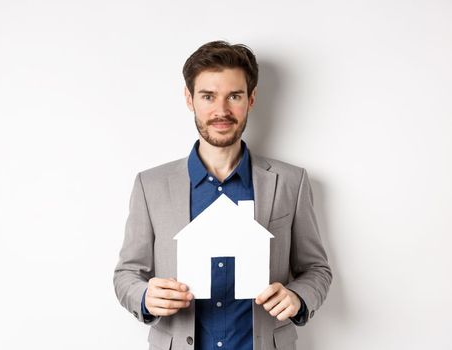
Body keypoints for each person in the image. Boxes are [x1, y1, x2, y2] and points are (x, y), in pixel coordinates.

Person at [112, 41, 332, 350]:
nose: (221, 110)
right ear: (190, 99)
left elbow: (316, 269)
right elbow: (127, 274)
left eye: (234, 96)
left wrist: (298, 297)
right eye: (208, 96)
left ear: (251, 99)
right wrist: (145, 296)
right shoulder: (151, 185)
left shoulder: (290, 182)